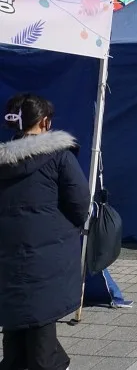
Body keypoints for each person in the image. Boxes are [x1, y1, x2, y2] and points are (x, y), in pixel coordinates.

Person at [0, 93, 90, 370]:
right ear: (44, 122)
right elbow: (80, 204)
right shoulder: (59, 157)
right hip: (48, 252)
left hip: (7, 253)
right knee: (40, 325)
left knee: (16, 319)